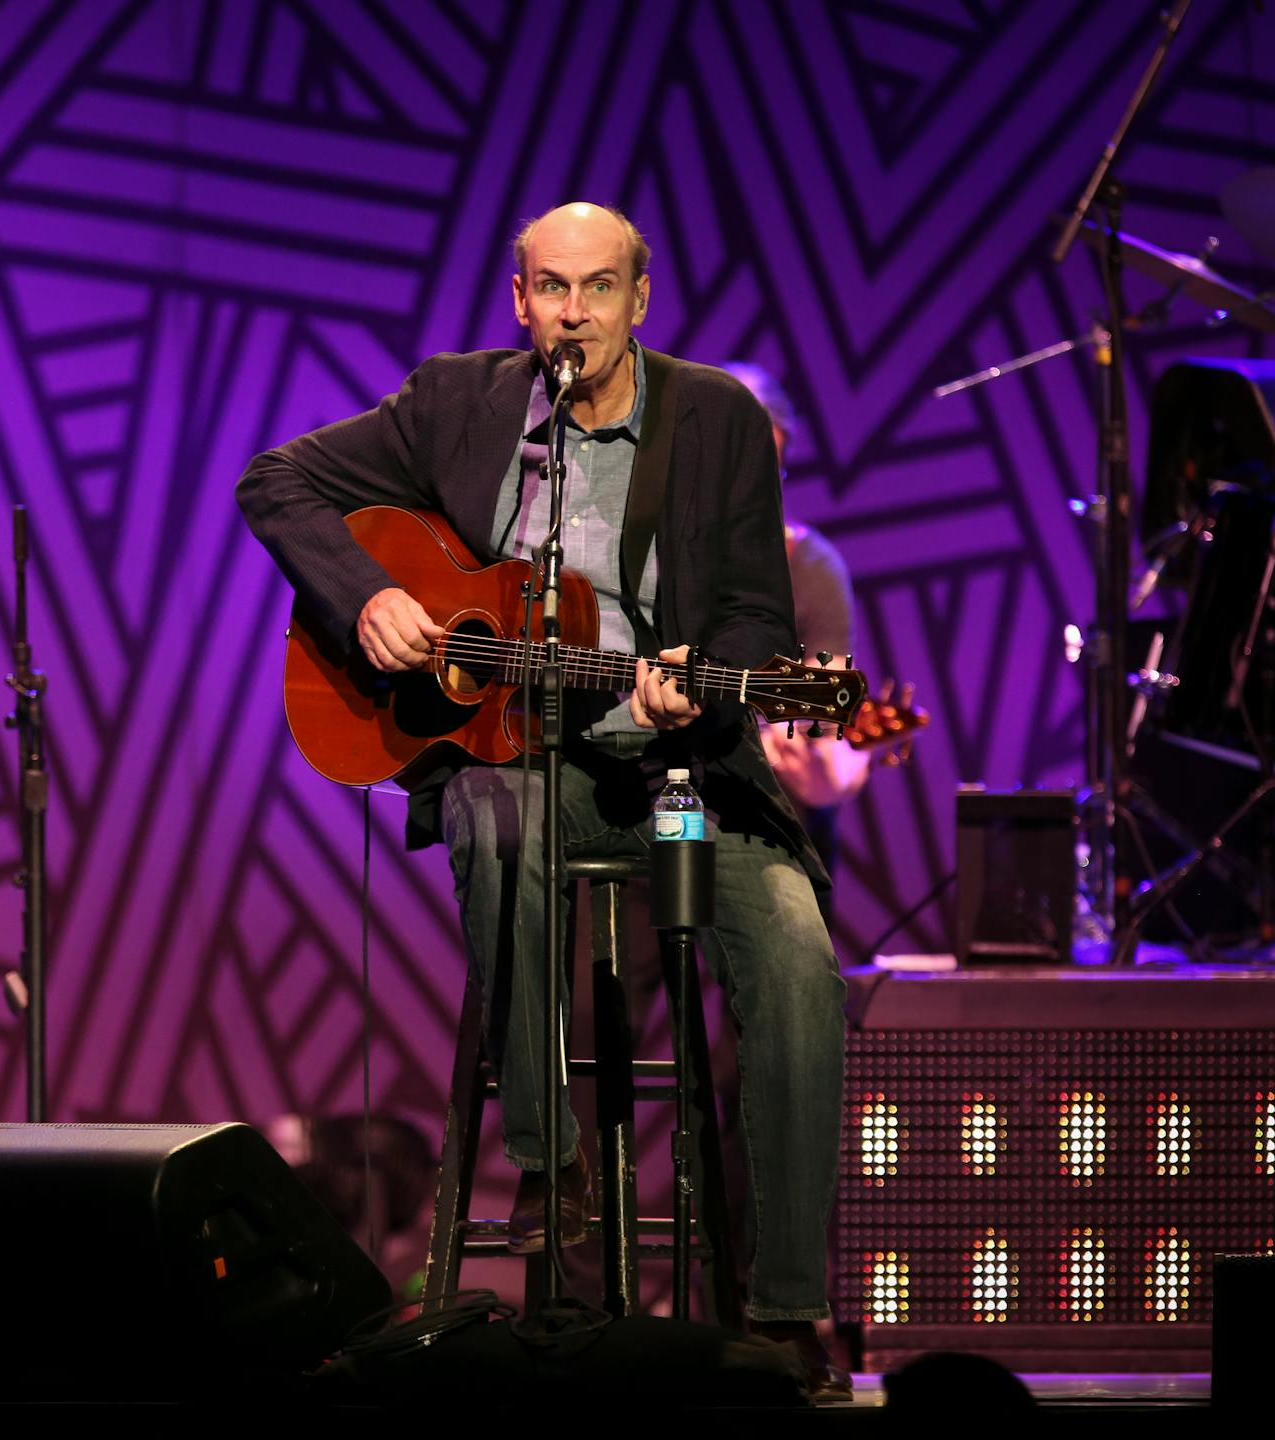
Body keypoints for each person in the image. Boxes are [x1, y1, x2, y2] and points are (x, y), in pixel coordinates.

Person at [237, 204, 849, 1401]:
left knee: (793, 950)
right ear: (519, 300)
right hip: (522, 759)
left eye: (601, 288)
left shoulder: (716, 417)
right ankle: (550, 1165)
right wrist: (365, 598)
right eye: (553, 290)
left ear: (641, 298)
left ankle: (784, 1309)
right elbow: (278, 480)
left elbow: (757, 628)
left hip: (679, 781)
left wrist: (703, 691)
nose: (576, 312)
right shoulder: (458, 404)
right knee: (494, 815)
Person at [722, 363, 870, 884]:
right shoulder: (654, 550)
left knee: (797, 810)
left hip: (769, 784)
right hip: (660, 777)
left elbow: (822, 698)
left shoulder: (809, 564)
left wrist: (792, 735)